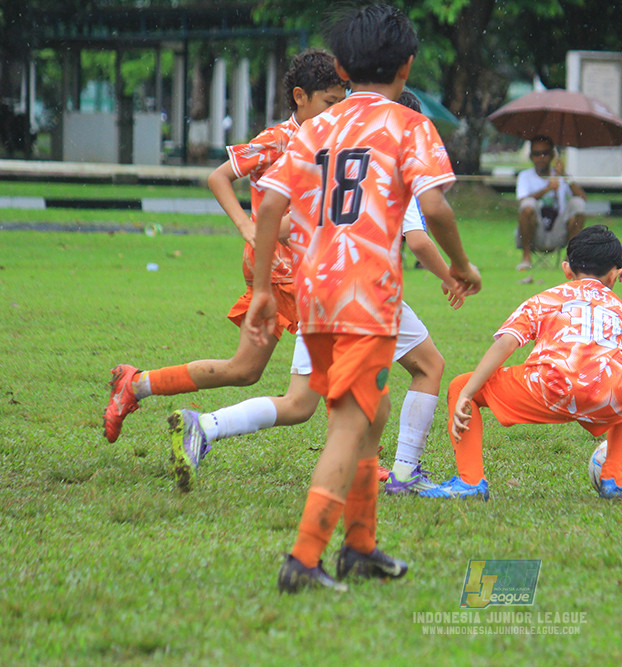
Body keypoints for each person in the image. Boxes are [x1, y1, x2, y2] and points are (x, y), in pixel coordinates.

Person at [245, 3, 481, 593]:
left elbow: (270, 204)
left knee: (370, 417)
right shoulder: (408, 124)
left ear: (344, 66)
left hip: (313, 293)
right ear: (407, 65)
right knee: (351, 424)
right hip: (366, 298)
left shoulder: (316, 126)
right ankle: (303, 558)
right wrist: (459, 263)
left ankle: (361, 547)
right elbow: (436, 206)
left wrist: (258, 290)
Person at [167, 91, 462, 496]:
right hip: (365, 290)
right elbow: (419, 239)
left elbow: (282, 222)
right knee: (427, 367)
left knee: (299, 403)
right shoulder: (395, 159)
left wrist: (266, 272)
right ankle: (403, 475)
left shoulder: (332, 153)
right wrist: (452, 274)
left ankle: (204, 427)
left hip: (317, 288)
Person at [102, 49, 348, 444]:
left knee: (244, 370)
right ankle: (367, 461)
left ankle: (136, 385)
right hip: (282, 273)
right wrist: (249, 228)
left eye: (342, 103)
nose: (337, 112)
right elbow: (219, 177)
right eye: (330, 103)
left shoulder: (330, 140)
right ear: (300, 97)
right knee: (334, 373)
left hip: (304, 271)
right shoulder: (281, 139)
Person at [421, 225, 622, 504]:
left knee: (460, 385)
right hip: (606, 393)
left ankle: (470, 482)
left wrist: (468, 393)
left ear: (566, 270)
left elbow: (506, 343)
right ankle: (613, 479)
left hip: (548, 386)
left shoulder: (546, 299)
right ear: (614, 275)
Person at [515, 136, 586, 271]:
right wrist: (547, 189)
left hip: (559, 229)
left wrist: (564, 175)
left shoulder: (561, 175)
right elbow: (522, 202)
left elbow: (582, 197)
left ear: (552, 155)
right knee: (528, 205)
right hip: (535, 230)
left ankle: (570, 260)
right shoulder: (525, 176)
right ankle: (526, 257)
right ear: (531, 156)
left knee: (578, 204)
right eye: (536, 154)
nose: (541, 157)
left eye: (545, 153)